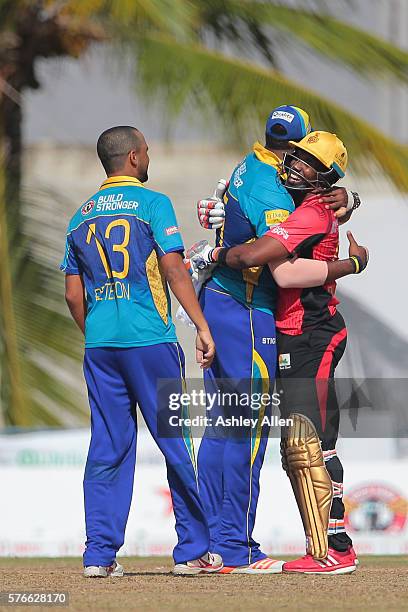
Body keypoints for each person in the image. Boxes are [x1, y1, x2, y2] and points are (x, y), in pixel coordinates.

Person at [192, 131, 368, 575]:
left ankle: (331, 550)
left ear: (326, 178)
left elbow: (278, 269)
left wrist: (214, 252)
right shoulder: (303, 199)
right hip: (294, 331)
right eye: (298, 155)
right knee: (305, 444)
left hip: (314, 332)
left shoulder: (309, 211)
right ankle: (329, 546)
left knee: (310, 444)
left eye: (311, 163)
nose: (298, 164)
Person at [60, 125, 222, 577]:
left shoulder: (80, 216)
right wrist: (202, 325)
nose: (148, 158)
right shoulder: (153, 204)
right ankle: (192, 551)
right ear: (133, 158)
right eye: (146, 151)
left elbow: (74, 296)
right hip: (149, 341)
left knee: (108, 447)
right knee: (175, 442)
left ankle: (99, 556)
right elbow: (173, 269)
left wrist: (95, 331)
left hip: (100, 345)